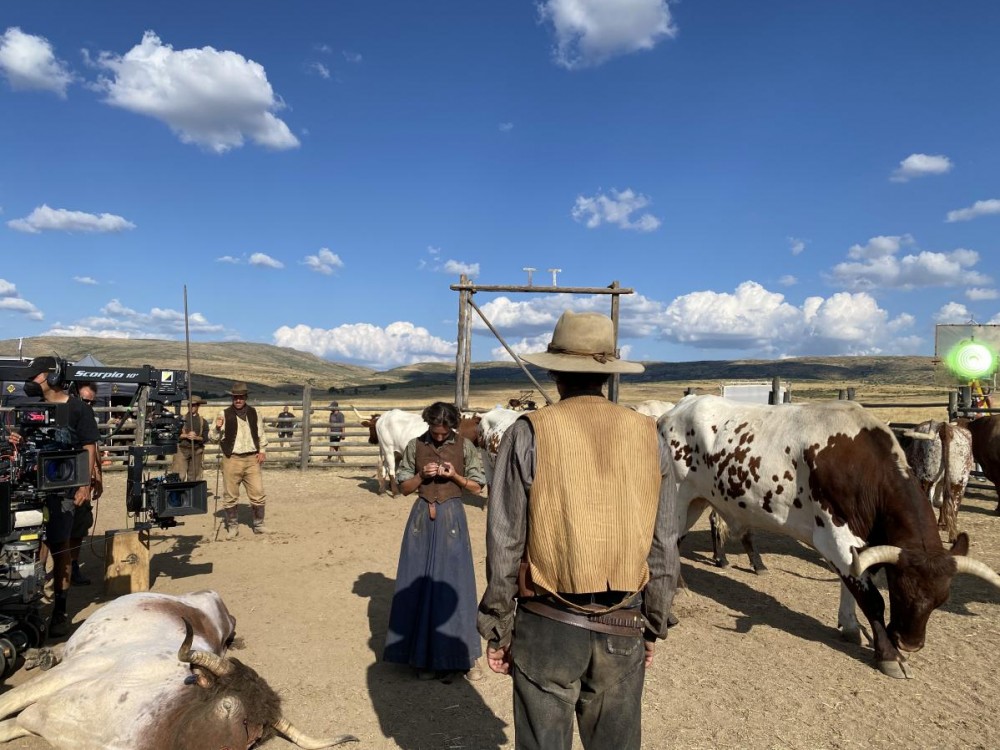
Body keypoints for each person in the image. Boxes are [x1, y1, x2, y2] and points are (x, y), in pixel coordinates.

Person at [477, 310, 680, 750]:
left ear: (554, 372)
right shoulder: (649, 435)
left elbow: (505, 540)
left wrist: (498, 625)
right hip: (624, 620)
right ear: (608, 373)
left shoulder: (528, 432)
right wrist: (654, 622)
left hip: (547, 621)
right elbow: (664, 542)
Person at [383, 402, 486, 681]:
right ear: (428, 424)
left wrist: (455, 476)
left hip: (452, 518)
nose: (439, 437)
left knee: (456, 583)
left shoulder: (465, 446)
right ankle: (423, 658)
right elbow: (404, 488)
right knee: (418, 583)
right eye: (435, 431)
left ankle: (464, 658)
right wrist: (421, 475)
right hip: (421, 522)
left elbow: (478, 486)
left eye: (444, 432)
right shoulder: (415, 446)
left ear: (452, 427)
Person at [15, 358, 102, 637]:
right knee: (27, 545)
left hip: (63, 488)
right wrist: (16, 439)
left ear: (51, 377)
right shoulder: (30, 406)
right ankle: (29, 604)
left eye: (35, 377)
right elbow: (22, 436)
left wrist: (84, 485)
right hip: (30, 486)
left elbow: (89, 446)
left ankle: (60, 611)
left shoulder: (78, 408)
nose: (30, 382)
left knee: (59, 545)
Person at [211, 382, 268, 538]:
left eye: (241, 397)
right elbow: (213, 438)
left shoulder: (255, 413)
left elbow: (261, 433)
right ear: (232, 398)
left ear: (245, 397)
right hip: (232, 458)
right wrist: (217, 428)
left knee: (258, 492)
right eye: (235, 397)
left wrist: (262, 450)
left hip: (252, 458)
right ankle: (232, 527)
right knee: (230, 495)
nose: (238, 400)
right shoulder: (223, 414)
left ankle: (259, 525)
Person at [68, 381, 101, 586]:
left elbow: (93, 447)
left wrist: (96, 478)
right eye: (85, 400)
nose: (88, 405)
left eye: (91, 402)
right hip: (61, 477)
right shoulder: (63, 413)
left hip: (82, 478)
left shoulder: (87, 418)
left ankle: (73, 566)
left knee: (79, 526)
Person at [171, 395, 209, 480]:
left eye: (194, 405)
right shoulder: (180, 419)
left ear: (198, 406)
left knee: (194, 478)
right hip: (182, 450)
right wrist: (185, 435)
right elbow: (174, 434)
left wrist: (196, 438)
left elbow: (205, 437)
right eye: (190, 405)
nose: (191, 407)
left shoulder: (203, 422)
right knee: (179, 476)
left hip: (197, 451)